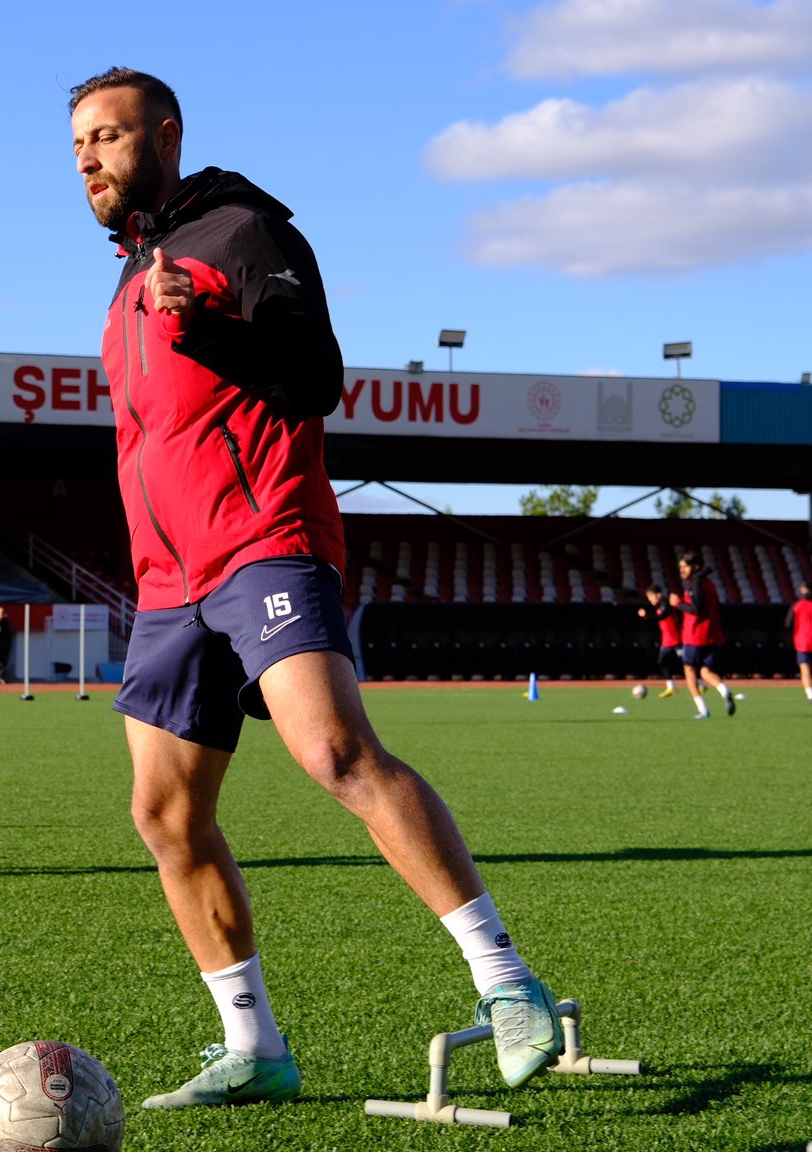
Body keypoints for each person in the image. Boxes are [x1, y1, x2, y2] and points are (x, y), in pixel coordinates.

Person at [68, 67, 562, 1110]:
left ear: (164, 134)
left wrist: (207, 328)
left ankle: (507, 983)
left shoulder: (244, 234)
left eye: (108, 137)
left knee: (333, 751)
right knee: (161, 816)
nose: (89, 160)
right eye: (77, 147)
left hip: (264, 543)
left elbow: (316, 374)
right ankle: (253, 1048)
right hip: (167, 583)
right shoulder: (125, 281)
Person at [673, 552, 736, 718]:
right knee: (705, 671)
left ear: (695, 567)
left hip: (695, 635)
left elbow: (696, 610)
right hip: (712, 635)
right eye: (680, 567)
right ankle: (724, 690)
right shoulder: (708, 583)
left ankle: (703, 710)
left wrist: (677, 603)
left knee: (689, 671)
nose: (682, 570)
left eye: (685, 566)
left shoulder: (696, 583)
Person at [637, 584, 683, 697]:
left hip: (677, 640)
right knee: (662, 662)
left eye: (651, 596)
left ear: (659, 594)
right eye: (648, 597)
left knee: (688, 662)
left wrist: (646, 616)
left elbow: (662, 616)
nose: (650, 599)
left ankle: (702, 683)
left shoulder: (665, 603)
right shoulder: (659, 605)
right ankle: (671, 687)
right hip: (667, 641)